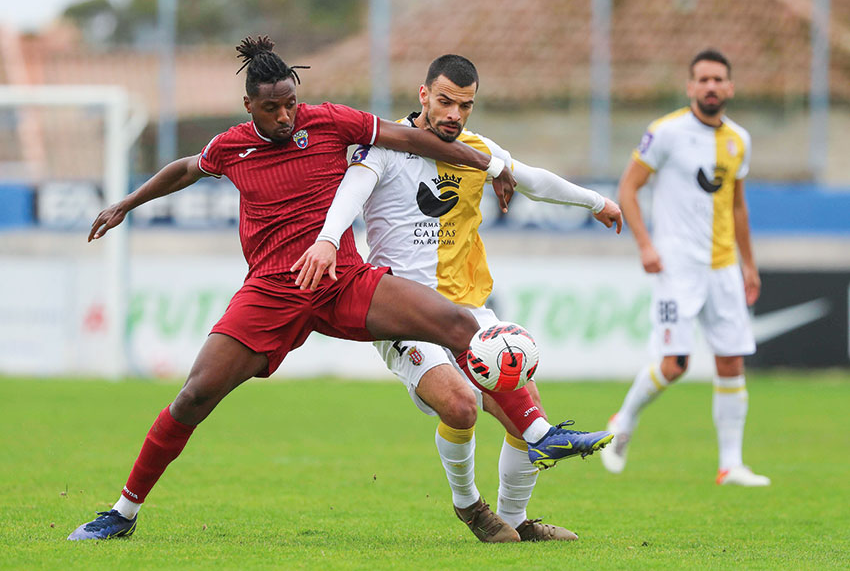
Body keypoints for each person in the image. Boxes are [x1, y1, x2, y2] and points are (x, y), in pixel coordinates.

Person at [68, 36, 604, 541]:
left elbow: (413, 138)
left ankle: (537, 435)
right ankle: (123, 512)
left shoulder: (329, 121)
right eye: (273, 108)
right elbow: (186, 168)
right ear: (249, 105)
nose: (286, 117)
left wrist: (493, 164)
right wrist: (124, 205)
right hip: (273, 291)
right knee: (194, 396)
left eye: (291, 104)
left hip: (344, 279)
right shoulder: (230, 148)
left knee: (463, 324)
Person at [292, 54, 621, 542]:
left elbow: (532, 179)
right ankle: (470, 508)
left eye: (464, 105)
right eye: (445, 101)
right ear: (423, 95)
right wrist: (326, 238)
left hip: (469, 310)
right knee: (462, 405)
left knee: (524, 407)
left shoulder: (476, 150)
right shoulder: (384, 147)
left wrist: (596, 201)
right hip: (402, 310)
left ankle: (515, 520)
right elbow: (351, 192)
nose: (454, 114)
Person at [599, 49, 770, 487]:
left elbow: (737, 207)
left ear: (730, 87)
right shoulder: (666, 132)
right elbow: (628, 188)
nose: (711, 86)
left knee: (731, 361)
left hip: (724, 267)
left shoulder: (739, 140)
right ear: (690, 86)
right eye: (703, 79)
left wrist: (749, 265)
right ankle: (625, 420)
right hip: (677, 265)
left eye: (719, 79)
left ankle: (730, 465)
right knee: (675, 363)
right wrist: (645, 246)